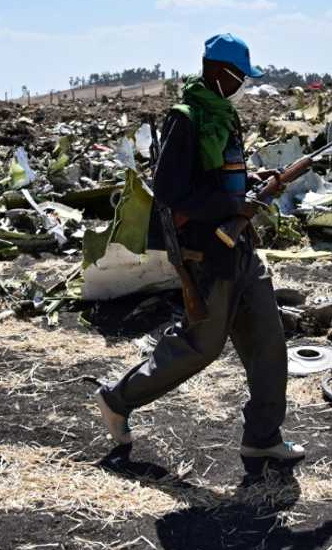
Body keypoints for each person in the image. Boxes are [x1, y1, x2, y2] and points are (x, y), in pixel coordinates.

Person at [94, 33, 305, 462]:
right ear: (217, 72)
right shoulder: (187, 118)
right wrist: (234, 203)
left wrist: (253, 183)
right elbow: (172, 193)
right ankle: (118, 400)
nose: (242, 84)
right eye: (238, 76)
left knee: (267, 342)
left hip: (240, 246)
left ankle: (262, 439)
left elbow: (220, 178)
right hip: (208, 253)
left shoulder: (223, 115)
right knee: (200, 348)